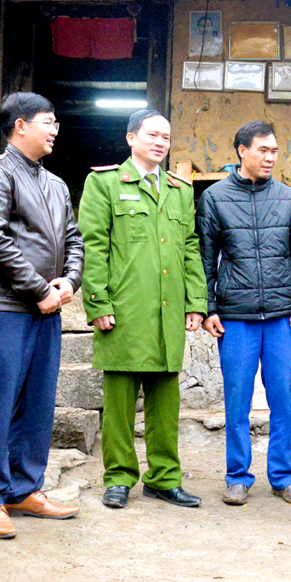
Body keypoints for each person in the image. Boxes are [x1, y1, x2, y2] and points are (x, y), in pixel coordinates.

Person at [0, 92, 83, 539]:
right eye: (48, 122)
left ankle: (24, 488)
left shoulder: (54, 184)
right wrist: (38, 289)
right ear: (20, 126)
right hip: (4, 307)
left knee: (37, 404)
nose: (55, 130)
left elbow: (74, 240)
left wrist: (68, 282)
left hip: (46, 308)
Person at [80, 109, 208, 510]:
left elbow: (190, 247)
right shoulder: (104, 183)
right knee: (118, 403)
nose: (160, 142)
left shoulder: (179, 190)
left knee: (165, 402)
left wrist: (195, 302)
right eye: (152, 135)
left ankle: (164, 478)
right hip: (124, 309)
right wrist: (98, 301)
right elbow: (94, 246)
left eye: (166, 137)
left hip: (167, 312)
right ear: (131, 138)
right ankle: (118, 478)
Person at [198, 120, 291, 506]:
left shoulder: (290, 200)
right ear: (242, 151)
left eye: (274, 151)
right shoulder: (215, 198)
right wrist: (208, 307)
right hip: (235, 318)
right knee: (236, 399)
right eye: (263, 150)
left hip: (284, 318)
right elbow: (203, 258)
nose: (270, 157)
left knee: (283, 397)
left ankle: (284, 476)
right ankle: (237, 477)